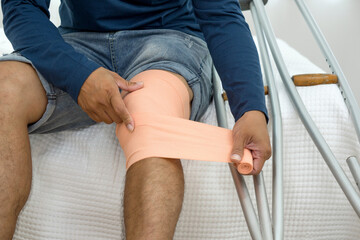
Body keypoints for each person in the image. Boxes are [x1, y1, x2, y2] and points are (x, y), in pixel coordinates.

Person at [0, 0, 271, 239]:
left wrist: (250, 109)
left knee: (150, 120)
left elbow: (220, 14)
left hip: (170, 38)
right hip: (80, 41)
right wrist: (78, 75)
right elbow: (21, 5)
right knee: (4, 89)